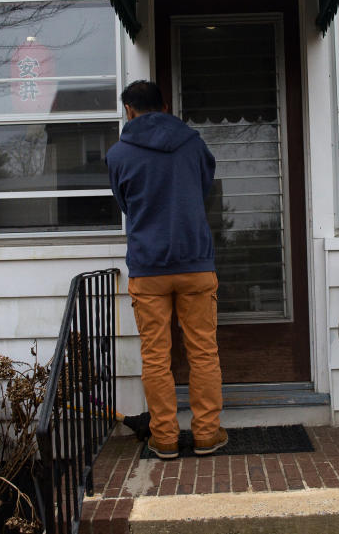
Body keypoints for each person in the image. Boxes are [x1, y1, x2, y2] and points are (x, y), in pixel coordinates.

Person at [105, 80, 228, 459]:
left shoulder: (118, 153)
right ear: (164, 105)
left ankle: (165, 438)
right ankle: (207, 434)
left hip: (149, 265)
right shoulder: (193, 143)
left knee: (156, 357)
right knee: (203, 352)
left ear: (129, 110)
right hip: (194, 261)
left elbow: (126, 204)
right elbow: (203, 185)